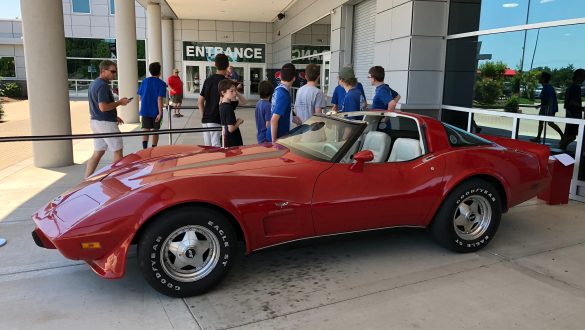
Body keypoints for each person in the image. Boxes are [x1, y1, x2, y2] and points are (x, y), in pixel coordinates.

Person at [85, 60, 130, 178]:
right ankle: (115, 178)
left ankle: (87, 178)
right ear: (103, 71)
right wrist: (120, 102)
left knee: (98, 152)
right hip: (106, 124)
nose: (114, 74)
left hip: (95, 122)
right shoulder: (103, 85)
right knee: (118, 151)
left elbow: (99, 107)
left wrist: (114, 116)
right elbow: (103, 107)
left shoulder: (94, 83)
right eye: (112, 71)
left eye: (115, 71)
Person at [198, 54, 230, 147]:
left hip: (206, 120)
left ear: (215, 65)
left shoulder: (208, 80)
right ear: (227, 65)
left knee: (207, 147)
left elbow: (200, 101)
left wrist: (204, 115)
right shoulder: (226, 82)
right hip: (217, 119)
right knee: (216, 146)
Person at [137, 62, 167, 149]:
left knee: (146, 129)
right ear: (160, 72)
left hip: (145, 110)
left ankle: (145, 149)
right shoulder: (161, 83)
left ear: (150, 71)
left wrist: (141, 108)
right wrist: (160, 113)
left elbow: (140, 96)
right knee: (155, 131)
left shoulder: (144, 81)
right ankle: (153, 149)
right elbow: (159, 98)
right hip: (155, 111)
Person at [268, 63, 299, 142]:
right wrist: (274, 142)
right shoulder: (284, 95)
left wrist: (294, 117)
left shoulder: (278, 89)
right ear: (294, 78)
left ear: (280, 76)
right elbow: (274, 119)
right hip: (278, 137)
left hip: (273, 133)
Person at [530, 72, 564, 143]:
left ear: (544, 78)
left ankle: (562, 135)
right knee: (541, 121)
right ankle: (538, 137)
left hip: (549, 108)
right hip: (545, 107)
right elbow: (546, 100)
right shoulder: (545, 87)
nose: (539, 78)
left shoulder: (548, 87)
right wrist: (540, 105)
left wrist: (550, 110)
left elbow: (550, 99)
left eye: (540, 77)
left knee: (550, 123)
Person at [560, 69, 585, 149]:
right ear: (578, 76)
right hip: (574, 115)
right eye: (583, 77)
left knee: (568, 135)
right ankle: (561, 149)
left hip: (570, 114)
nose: (583, 79)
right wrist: (582, 108)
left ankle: (561, 148)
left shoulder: (570, 87)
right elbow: (572, 102)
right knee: (572, 136)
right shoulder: (576, 87)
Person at [218, 79, 245, 147]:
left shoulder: (225, 103)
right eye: (231, 91)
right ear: (223, 92)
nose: (235, 93)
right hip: (232, 140)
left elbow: (244, 101)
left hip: (227, 138)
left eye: (235, 90)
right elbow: (231, 129)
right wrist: (239, 121)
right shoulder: (228, 107)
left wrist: (235, 91)